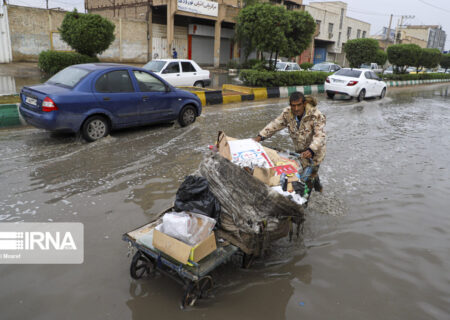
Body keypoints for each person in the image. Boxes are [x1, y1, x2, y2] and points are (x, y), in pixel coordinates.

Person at [254, 91, 326, 193]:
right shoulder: (287, 114)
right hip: (300, 151)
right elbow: (275, 125)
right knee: (306, 172)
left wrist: (311, 150)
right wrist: (260, 137)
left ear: (304, 104)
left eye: (298, 105)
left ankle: (307, 198)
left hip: (315, 152)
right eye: (293, 106)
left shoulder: (316, 115)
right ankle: (317, 184)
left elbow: (320, 136)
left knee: (307, 179)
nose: (296, 109)